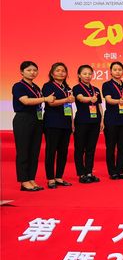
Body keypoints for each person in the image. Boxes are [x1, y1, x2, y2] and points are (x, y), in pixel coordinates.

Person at [13, 61, 52, 191]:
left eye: (35, 70)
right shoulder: (18, 86)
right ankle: (24, 181)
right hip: (23, 119)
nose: (32, 72)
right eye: (29, 70)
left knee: (34, 151)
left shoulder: (36, 87)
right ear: (22, 72)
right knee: (23, 150)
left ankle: (31, 178)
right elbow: (25, 101)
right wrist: (45, 99)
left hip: (37, 119)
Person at [42, 62, 74, 188]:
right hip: (52, 123)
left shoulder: (67, 88)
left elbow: (69, 106)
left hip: (65, 123)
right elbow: (51, 103)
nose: (61, 73)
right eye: (58, 70)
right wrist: (66, 99)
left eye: (63, 71)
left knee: (63, 151)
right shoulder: (48, 86)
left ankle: (59, 177)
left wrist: (72, 122)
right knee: (51, 151)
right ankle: (50, 178)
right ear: (52, 73)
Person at [103, 61, 123, 180]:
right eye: (115, 70)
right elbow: (108, 99)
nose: (117, 72)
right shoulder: (107, 85)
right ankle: (112, 172)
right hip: (111, 120)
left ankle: (120, 171)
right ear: (110, 72)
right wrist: (118, 101)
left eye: (120, 70)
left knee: (122, 147)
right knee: (111, 147)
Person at [73, 65, 103, 183]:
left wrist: (102, 120)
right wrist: (90, 99)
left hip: (95, 122)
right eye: (84, 73)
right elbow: (80, 98)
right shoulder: (76, 88)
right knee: (80, 148)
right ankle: (81, 174)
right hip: (82, 122)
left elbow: (99, 105)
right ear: (79, 75)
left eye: (90, 74)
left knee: (91, 148)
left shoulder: (96, 89)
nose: (87, 76)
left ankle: (89, 172)